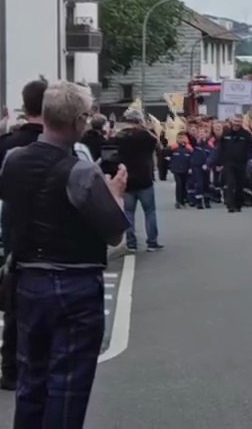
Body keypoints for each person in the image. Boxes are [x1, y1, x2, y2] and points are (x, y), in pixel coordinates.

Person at [0, 80, 130, 427]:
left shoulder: (12, 159)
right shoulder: (82, 171)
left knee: (31, 379)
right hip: (74, 280)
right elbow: (115, 231)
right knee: (67, 384)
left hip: (27, 277)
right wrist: (115, 195)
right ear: (77, 122)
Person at [0, 79, 46, 391]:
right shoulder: (58, 143)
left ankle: (10, 368)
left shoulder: (6, 144)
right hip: (51, 235)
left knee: (15, 303)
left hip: (13, 229)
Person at [115, 109, 164, 252]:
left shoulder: (120, 136)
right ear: (140, 121)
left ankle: (131, 244)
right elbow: (159, 146)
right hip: (145, 178)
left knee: (129, 212)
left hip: (127, 178)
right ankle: (152, 242)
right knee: (150, 211)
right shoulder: (147, 137)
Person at [214, 115, 252, 212]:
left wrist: (251, 159)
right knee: (230, 183)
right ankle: (230, 205)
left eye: (238, 121)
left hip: (241, 163)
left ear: (241, 123)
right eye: (235, 121)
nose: (236, 124)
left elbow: (251, 148)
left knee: (240, 184)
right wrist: (219, 163)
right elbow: (220, 149)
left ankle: (238, 204)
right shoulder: (226, 134)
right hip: (228, 163)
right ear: (232, 122)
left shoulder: (246, 135)